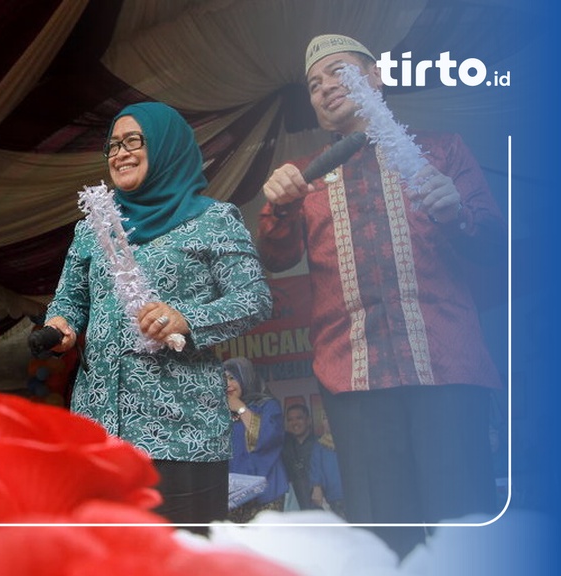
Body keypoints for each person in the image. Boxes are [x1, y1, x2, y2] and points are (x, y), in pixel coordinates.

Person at [258, 34, 504, 556]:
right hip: (354, 375)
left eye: (340, 73)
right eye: (314, 84)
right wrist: (277, 206)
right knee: (384, 540)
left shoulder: (441, 150)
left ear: (377, 77)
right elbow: (275, 258)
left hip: (446, 365)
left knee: (462, 526)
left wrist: (457, 210)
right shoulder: (307, 175)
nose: (325, 89)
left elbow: (495, 244)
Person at [44, 101, 272, 525]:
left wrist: (187, 318)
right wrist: (61, 326)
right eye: (112, 145)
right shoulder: (93, 227)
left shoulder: (213, 220)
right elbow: (69, 302)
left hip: (181, 431)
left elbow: (254, 299)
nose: (119, 153)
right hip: (98, 429)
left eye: (134, 141)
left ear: (166, 146)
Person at [223, 357, 288, 522]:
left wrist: (240, 407)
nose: (227, 384)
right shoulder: (220, 412)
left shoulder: (267, 405)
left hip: (267, 490)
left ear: (245, 377)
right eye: (223, 379)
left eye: (232, 378)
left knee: (267, 543)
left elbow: (268, 438)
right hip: (233, 495)